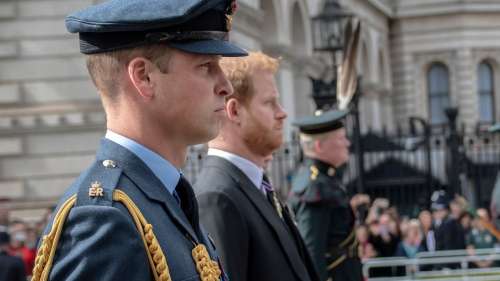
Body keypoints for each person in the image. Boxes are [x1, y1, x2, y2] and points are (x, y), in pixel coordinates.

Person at [33, 0, 247, 280]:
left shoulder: (167, 194)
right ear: (144, 77)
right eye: (206, 66)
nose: (225, 86)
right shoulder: (106, 219)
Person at [194, 52, 319, 281]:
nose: (282, 113)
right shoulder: (217, 197)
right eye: (270, 103)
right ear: (234, 111)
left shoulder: (255, 184)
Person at [288, 109, 363, 281]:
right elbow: (312, 254)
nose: (347, 143)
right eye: (340, 138)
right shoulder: (315, 188)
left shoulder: (324, 179)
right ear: (319, 146)